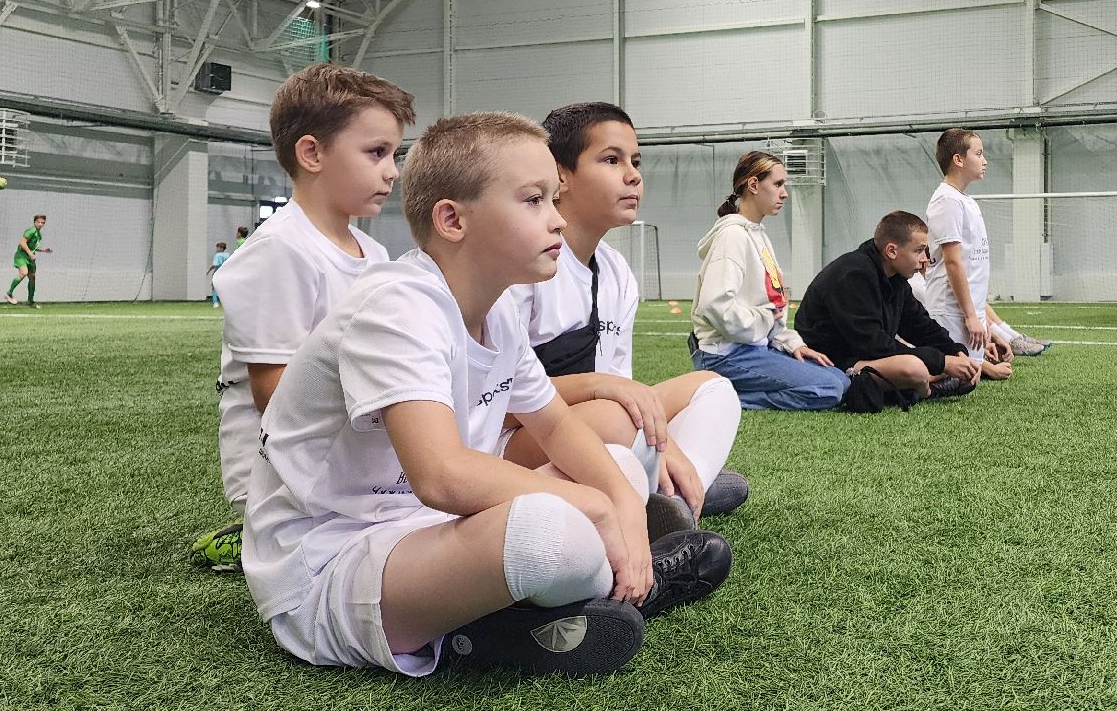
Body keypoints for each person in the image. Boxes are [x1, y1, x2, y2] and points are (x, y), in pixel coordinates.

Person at [243, 111, 732, 679]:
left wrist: (622, 502)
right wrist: (599, 508)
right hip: (331, 560)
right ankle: (580, 602)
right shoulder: (397, 306)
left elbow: (555, 426)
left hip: (425, 528)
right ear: (452, 219)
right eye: (533, 200)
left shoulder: (495, 310)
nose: (555, 221)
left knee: (618, 467)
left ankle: (550, 613)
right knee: (550, 533)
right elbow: (442, 476)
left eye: (554, 199)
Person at [195, 64, 417, 574]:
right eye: (376, 152)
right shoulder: (279, 251)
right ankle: (258, 530)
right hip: (284, 463)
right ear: (312, 153)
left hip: (352, 442)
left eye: (394, 154)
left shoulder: (374, 251)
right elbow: (270, 391)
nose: (393, 171)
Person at [513, 102, 747, 526]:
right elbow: (495, 404)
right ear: (559, 175)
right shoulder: (522, 266)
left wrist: (663, 443)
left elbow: (622, 384)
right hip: (518, 435)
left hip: (593, 426)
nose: (633, 175)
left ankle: (673, 489)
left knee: (713, 389)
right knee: (616, 418)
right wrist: (603, 390)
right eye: (611, 159)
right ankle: (667, 486)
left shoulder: (616, 271)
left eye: (635, 161)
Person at [690, 151, 848, 410]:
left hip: (752, 348)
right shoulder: (733, 237)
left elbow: (771, 306)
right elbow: (713, 305)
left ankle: (724, 391)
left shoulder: (757, 235)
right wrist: (762, 319)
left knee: (840, 380)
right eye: (777, 184)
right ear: (753, 185)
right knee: (828, 389)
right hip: (724, 354)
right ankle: (721, 398)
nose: (784, 193)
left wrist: (792, 343)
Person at [795, 211, 983, 400]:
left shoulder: (895, 277)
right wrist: (941, 363)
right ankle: (928, 389)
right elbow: (872, 344)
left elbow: (919, 325)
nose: (924, 259)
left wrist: (955, 352)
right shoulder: (852, 275)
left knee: (930, 363)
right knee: (914, 368)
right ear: (891, 251)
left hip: (865, 357)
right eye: (918, 250)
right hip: (830, 363)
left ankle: (917, 384)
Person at [924, 129, 1013, 380]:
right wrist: (970, 316)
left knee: (970, 376)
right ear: (958, 160)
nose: (985, 161)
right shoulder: (947, 200)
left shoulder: (965, 200)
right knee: (959, 377)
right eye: (978, 154)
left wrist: (982, 320)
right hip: (951, 310)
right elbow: (953, 262)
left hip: (968, 309)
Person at [4, 214, 51, 306]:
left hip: (30, 258)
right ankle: (8, 293)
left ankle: (30, 301)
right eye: (38, 222)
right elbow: (22, 243)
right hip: (21, 256)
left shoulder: (39, 234)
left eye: (43, 223)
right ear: (34, 222)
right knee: (24, 273)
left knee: (32, 278)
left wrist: (44, 249)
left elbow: (34, 247)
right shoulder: (31, 231)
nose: (40, 224)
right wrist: (30, 253)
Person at [207, 242, 229, 307]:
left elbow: (215, 264)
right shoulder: (227, 255)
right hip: (225, 273)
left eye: (217, 247)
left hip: (218, 273)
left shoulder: (218, 255)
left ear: (221, 248)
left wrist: (208, 270)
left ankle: (215, 302)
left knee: (214, 288)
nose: (216, 249)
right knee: (224, 288)